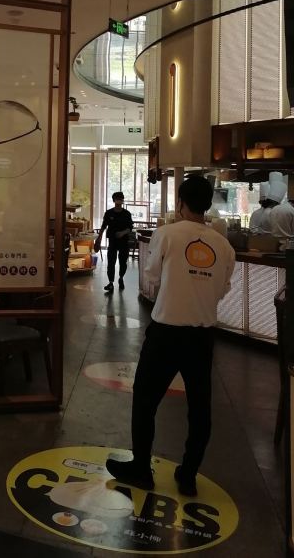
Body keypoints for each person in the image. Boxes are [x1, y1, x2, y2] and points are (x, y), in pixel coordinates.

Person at [105, 175, 235, 497]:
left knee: (145, 399)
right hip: (202, 338)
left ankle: (141, 468)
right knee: (200, 408)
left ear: (180, 202)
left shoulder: (166, 234)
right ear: (208, 204)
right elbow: (222, 291)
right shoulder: (224, 246)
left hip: (165, 334)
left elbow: (151, 278)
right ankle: (188, 475)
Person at [94, 191, 133, 292]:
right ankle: (110, 283)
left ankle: (121, 278)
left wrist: (122, 233)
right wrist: (99, 238)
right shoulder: (109, 213)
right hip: (112, 241)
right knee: (111, 262)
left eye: (120, 199)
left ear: (122, 200)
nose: (119, 200)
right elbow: (103, 226)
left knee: (123, 262)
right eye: (117, 199)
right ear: (114, 200)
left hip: (124, 241)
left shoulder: (127, 214)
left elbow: (130, 228)